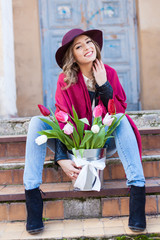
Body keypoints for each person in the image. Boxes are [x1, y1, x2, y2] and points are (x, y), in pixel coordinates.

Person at [23, 28, 146, 234]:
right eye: (79, 46)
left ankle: (137, 193)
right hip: (74, 143)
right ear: (73, 56)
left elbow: (117, 112)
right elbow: (63, 119)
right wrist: (61, 158)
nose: (87, 48)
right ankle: (32, 196)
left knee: (122, 119)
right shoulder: (65, 80)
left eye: (89, 42)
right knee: (37, 122)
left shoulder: (110, 73)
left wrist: (103, 84)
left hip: (104, 141)